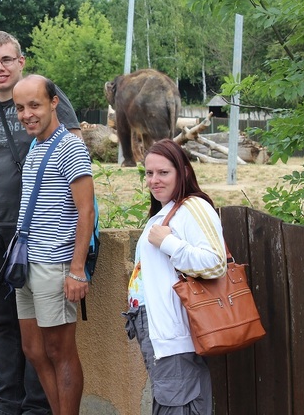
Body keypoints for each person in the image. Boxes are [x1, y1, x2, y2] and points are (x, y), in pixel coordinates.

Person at [0, 30, 82, 415]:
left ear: (21, 61)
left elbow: (74, 161)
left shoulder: (45, 96)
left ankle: (37, 408)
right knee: (4, 324)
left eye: (6, 59)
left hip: (37, 234)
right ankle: (6, 406)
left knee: (41, 334)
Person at [11, 75, 94, 415]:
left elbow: (86, 210)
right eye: (20, 108)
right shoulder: (35, 147)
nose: (27, 114)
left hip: (55, 264)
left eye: (35, 105)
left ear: (54, 103)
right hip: (27, 263)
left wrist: (77, 270)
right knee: (33, 350)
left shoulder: (70, 147)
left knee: (60, 351)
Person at [124, 139, 227, 414]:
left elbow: (215, 263)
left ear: (183, 172)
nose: (154, 180)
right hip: (162, 336)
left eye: (163, 172)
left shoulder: (193, 207)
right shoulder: (167, 211)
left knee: (178, 405)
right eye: (149, 173)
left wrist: (169, 243)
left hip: (175, 337)